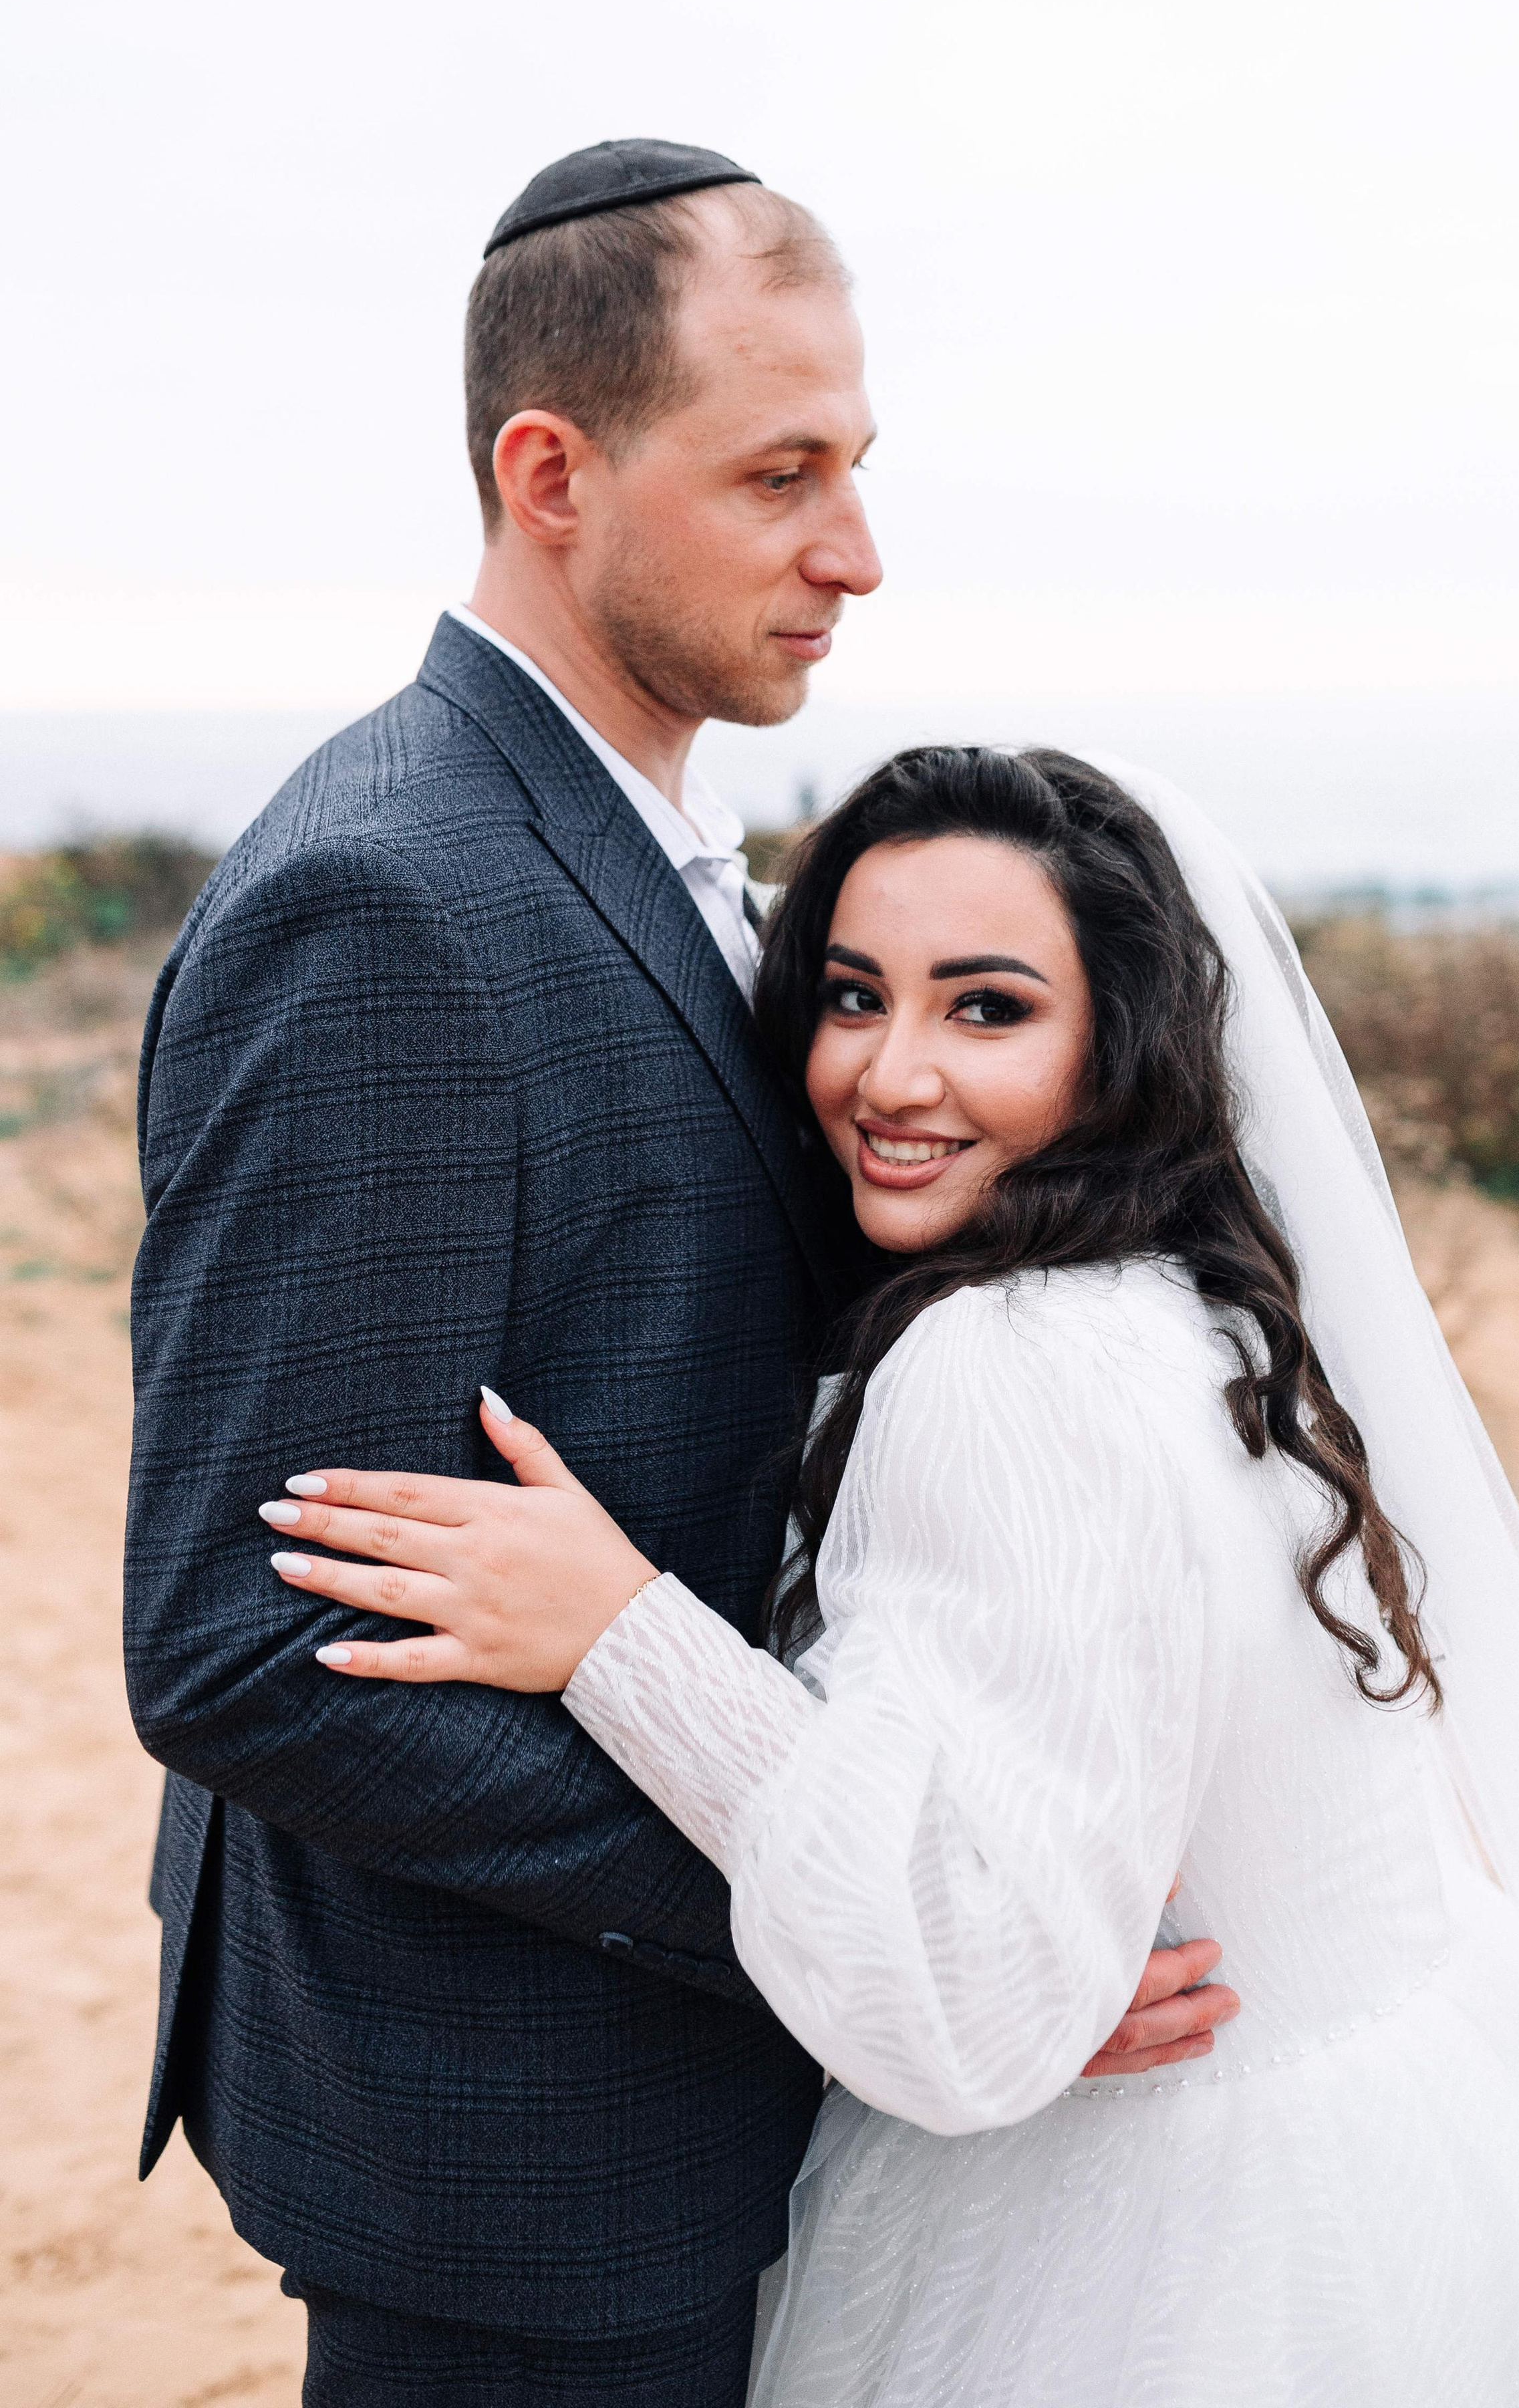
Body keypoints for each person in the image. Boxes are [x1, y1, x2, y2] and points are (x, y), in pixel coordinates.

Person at [124, 148, 1232, 2407]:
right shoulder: (389, 905)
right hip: (528, 2138)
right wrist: (888, 1923)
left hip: (695, 2101)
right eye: (779, 475)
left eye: (858, 466)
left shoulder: (666, 853)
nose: (858, 550)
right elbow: (243, 1646)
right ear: (555, 476)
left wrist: (966, 1895)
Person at [261, 743, 1519, 2404]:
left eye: (986, 1009)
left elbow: (972, 1992)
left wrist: (619, 1633)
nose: (891, 1076)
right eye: (852, 997)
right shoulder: (1197, 1309)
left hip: (1156, 2249)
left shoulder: (1000, 1362)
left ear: (1116, 1042)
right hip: (1411, 2157)